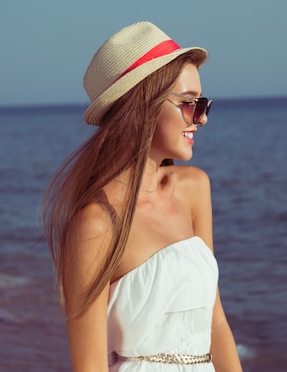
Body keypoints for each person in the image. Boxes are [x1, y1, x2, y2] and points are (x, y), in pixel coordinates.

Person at [43, 21, 243, 372]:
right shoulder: (96, 222)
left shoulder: (194, 189)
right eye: (188, 103)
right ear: (142, 106)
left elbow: (216, 325)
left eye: (203, 103)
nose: (202, 118)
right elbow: (89, 366)